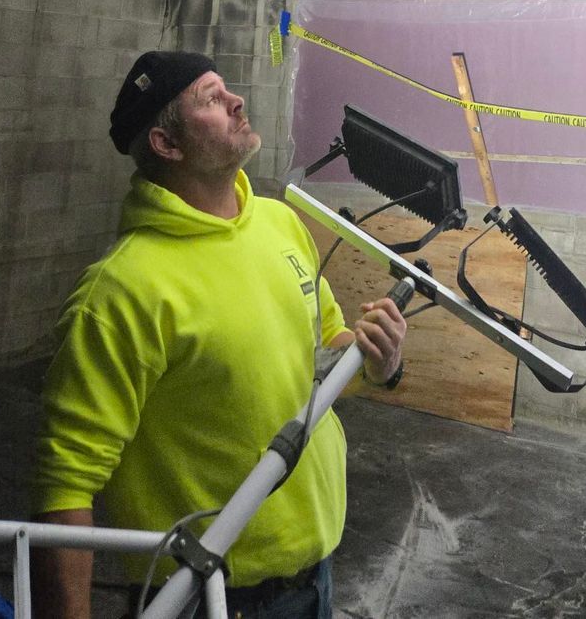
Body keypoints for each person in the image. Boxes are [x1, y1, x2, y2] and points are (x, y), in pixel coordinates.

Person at [30, 50, 406, 619]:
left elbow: (323, 351)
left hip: (315, 576)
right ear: (167, 144)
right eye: (210, 98)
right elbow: (65, 487)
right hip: (205, 597)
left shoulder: (278, 223)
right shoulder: (122, 292)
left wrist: (378, 362)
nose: (236, 101)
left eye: (225, 90)